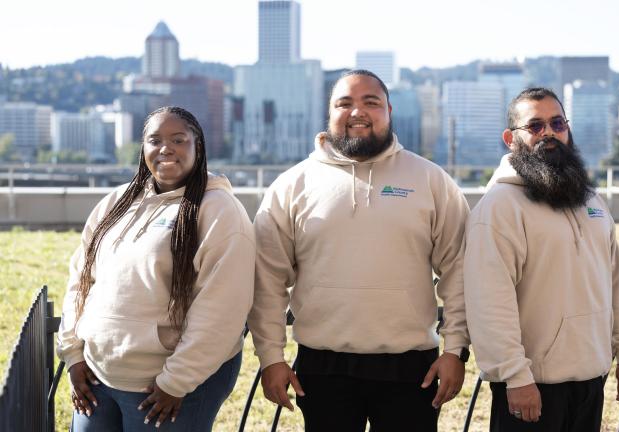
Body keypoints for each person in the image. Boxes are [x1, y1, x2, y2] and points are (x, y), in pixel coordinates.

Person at [247, 70, 471, 432]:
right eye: (344, 103)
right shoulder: (292, 184)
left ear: (389, 110)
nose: (357, 112)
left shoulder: (430, 180)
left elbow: (460, 269)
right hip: (321, 365)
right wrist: (271, 358)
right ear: (329, 111)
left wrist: (455, 350)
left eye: (371, 102)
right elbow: (267, 280)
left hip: (413, 365)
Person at [56, 106, 255, 431]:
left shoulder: (219, 211)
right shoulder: (116, 203)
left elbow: (223, 308)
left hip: (166, 386)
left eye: (179, 139)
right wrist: (73, 355)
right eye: (155, 140)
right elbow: (80, 281)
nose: (166, 148)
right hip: (96, 376)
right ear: (143, 148)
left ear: (198, 146)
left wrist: (176, 381)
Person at [464, 87, 619, 431]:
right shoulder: (499, 207)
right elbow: (489, 301)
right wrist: (516, 377)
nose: (549, 132)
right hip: (530, 388)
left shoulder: (591, 200)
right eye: (535, 126)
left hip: (591, 381)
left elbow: (613, 284)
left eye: (557, 123)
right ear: (510, 138)